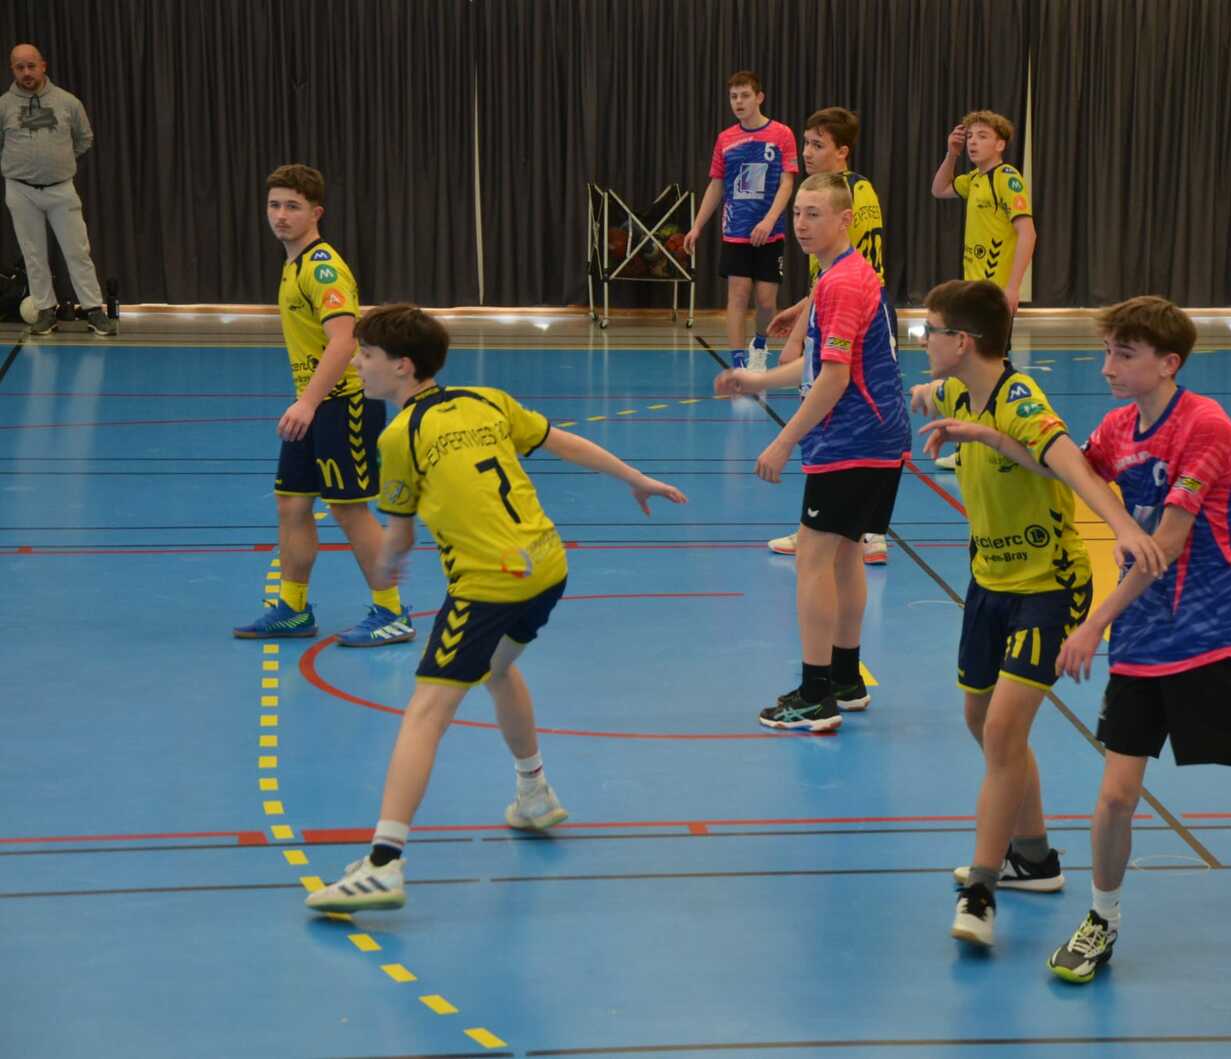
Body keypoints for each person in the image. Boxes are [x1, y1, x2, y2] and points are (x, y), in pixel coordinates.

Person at [956, 295, 1231, 1012]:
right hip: (1145, 643)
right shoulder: (1117, 427)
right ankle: (1101, 921)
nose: (1107, 367)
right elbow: (1068, 469)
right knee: (1116, 795)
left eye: (1124, 354)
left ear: (1168, 363)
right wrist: (986, 434)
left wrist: (1092, 625)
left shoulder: (1207, 427)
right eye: (1107, 351)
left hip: (1220, 635)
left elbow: (1166, 544)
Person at [304, 305, 686, 912]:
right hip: (548, 566)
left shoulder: (399, 437)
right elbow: (564, 443)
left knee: (425, 711)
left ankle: (383, 863)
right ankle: (534, 793)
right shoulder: (486, 400)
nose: (357, 364)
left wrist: (383, 570)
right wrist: (633, 476)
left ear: (402, 367)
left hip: (488, 584)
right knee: (499, 669)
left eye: (367, 356)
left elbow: (397, 537)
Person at [911, 279, 1165, 949]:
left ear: (962, 342)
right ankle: (1034, 856)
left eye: (930, 331)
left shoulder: (1020, 401)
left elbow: (1074, 467)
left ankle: (982, 889)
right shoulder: (957, 388)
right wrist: (925, 394)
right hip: (988, 582)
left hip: (1049, 587)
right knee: (980, 720)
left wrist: (1122, 527)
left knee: (1002, 732)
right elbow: (937, 392)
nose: (923, 341)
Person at [715, 172, 907, 729]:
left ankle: (814, 694)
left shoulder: (842, 283)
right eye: (797, 213)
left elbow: (834, 379)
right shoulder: (842, 274)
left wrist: (783, 440)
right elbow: (820, 363)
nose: (801, 224)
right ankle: (845, 678)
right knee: (845, 556)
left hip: (853, 440)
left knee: (814, 559)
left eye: (814, 214)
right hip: (879, 438)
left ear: (845, 220)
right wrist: (757, 380)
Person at [233, 164, 414, 647]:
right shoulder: (293, 264)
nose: (281, 215)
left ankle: (392, 612)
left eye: (292, 206)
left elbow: (343, 340)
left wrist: (308, 403)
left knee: (349, 508)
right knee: (292, 503)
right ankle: (293, 609)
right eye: (274, 205)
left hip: (343, 404)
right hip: (313, 404)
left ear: (316, 213)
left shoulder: (322, 268)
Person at [765, 106, 889, 564]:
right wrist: (802, 308)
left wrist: (799, 334)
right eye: (806, 142)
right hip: (849, 305)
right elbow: (833, 274)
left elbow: (847, 273)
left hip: (856, 314)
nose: (807, 152)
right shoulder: (847, 189)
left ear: (843, 151)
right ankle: (838, 527)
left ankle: (846, 530)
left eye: (818, 144)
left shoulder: (848, 194)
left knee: (836, 413)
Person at [929, 110, 1035, 471]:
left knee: (992, 371)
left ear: (1000, 144)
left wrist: (1012, 287)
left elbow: (1027, 233)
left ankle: (1010, 442)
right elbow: (939, 189)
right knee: (974, 371)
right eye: (970, 136)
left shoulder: (1008, 179)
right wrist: (952, 154)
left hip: (993, 295)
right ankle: (974, 446)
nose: (974, 142)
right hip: (972, 292)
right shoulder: (974, 179)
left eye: (982, 136)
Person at [684, 70, 798, 371]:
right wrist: (697, 226)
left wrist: (769, 220)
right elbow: (716, 185)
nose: (738, 102)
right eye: (733, 96)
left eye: (745, 95)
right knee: (737, 295)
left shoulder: (782, 134)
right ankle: (737, 363)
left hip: (770, 233)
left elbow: (787, 183)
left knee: (766, 301)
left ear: (759, 97)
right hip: (735, 231)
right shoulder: (726, 139)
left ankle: (759, 346)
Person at [1, 43, 114, 337]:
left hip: (61, 189)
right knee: (33, 254)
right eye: (20, 67)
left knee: (78, 251)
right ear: (12, 70)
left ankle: (93, 310)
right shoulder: (3, 106)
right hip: (20, 191)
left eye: (31, 66)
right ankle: (46, 312)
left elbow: (84, 138)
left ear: (43, 66)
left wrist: (60, 162)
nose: (27, 72)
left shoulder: (68, 102)